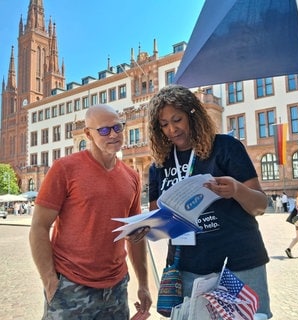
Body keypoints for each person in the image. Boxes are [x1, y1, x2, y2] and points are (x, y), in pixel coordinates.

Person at [147, 85, 272, 318]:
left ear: (193, 115)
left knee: (246, 317)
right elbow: (157, 218)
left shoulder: (225, 147)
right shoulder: (159, 165)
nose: (172, 129)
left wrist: (236, 189)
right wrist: (146, 226)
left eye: (177, 120)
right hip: (189, 268)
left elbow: (260, 205)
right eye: (164, 125)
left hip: (238, 263)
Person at [29, 104, 152, 319]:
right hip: (71, 286)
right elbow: (39, 227)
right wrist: (50, 281)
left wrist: (143, 284)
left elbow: (136, 235)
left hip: (116, 288)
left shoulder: (132, 176)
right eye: (104, 130)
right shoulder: (64, 168)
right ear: (88, 134)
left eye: (118, 128)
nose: (113, 135)